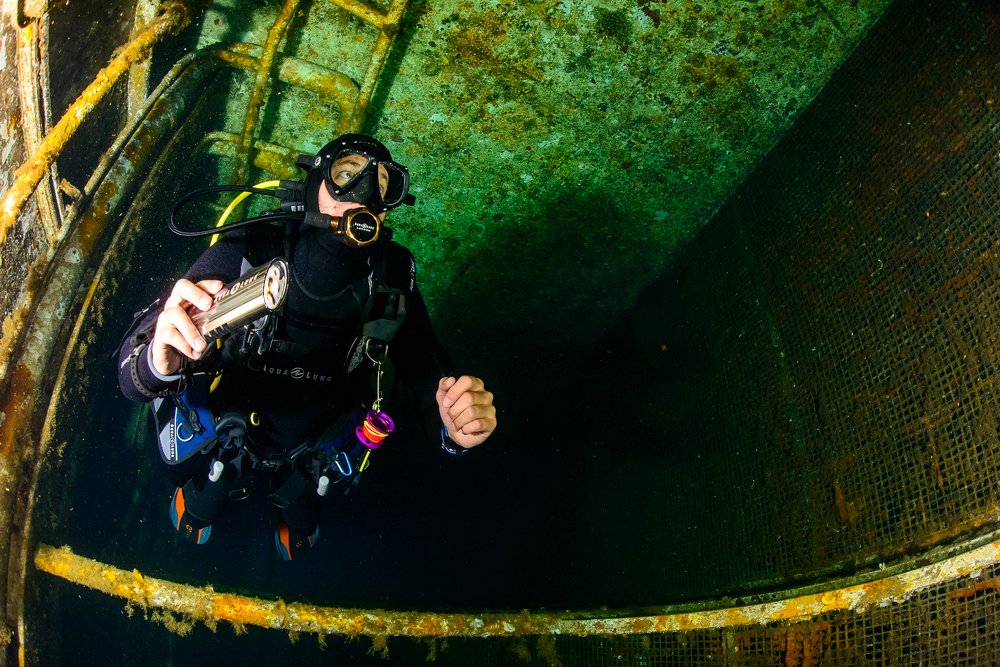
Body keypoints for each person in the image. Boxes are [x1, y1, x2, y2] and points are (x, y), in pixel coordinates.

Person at [118, 133, 496, 560]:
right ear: (315, 181)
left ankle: (289, 514)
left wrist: (457, 428)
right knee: (199, 503)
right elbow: (131, 375)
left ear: (388, 205)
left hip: (319, 444)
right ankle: (205, 503)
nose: (362, 195)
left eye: (381, 185)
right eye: (346, 175)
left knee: (301, 519)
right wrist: (156, 360)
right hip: (227, 426)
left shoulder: (393, 274)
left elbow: (429, 377)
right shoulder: (254, 244)